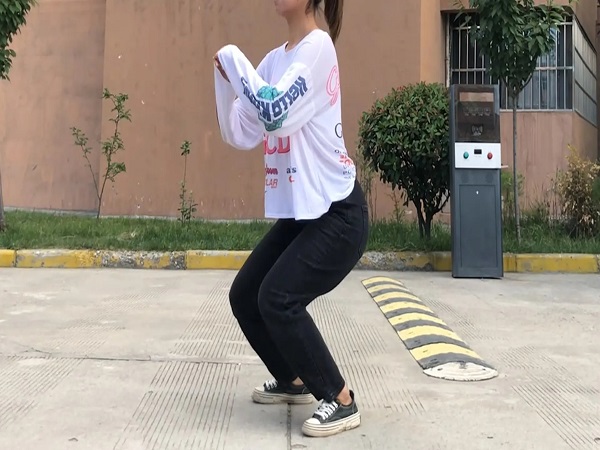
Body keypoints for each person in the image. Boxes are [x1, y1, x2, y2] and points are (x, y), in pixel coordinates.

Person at [213, 0, 368, 438]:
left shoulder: (318, 48)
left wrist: (233, 58)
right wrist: (226, 81)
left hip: (339, 214)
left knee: (278, 298)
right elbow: (241, 130)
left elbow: (275, 112)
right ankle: (292, 379)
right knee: (246, 296)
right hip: (304, 213)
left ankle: (340, 398)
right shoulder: (274, 61)